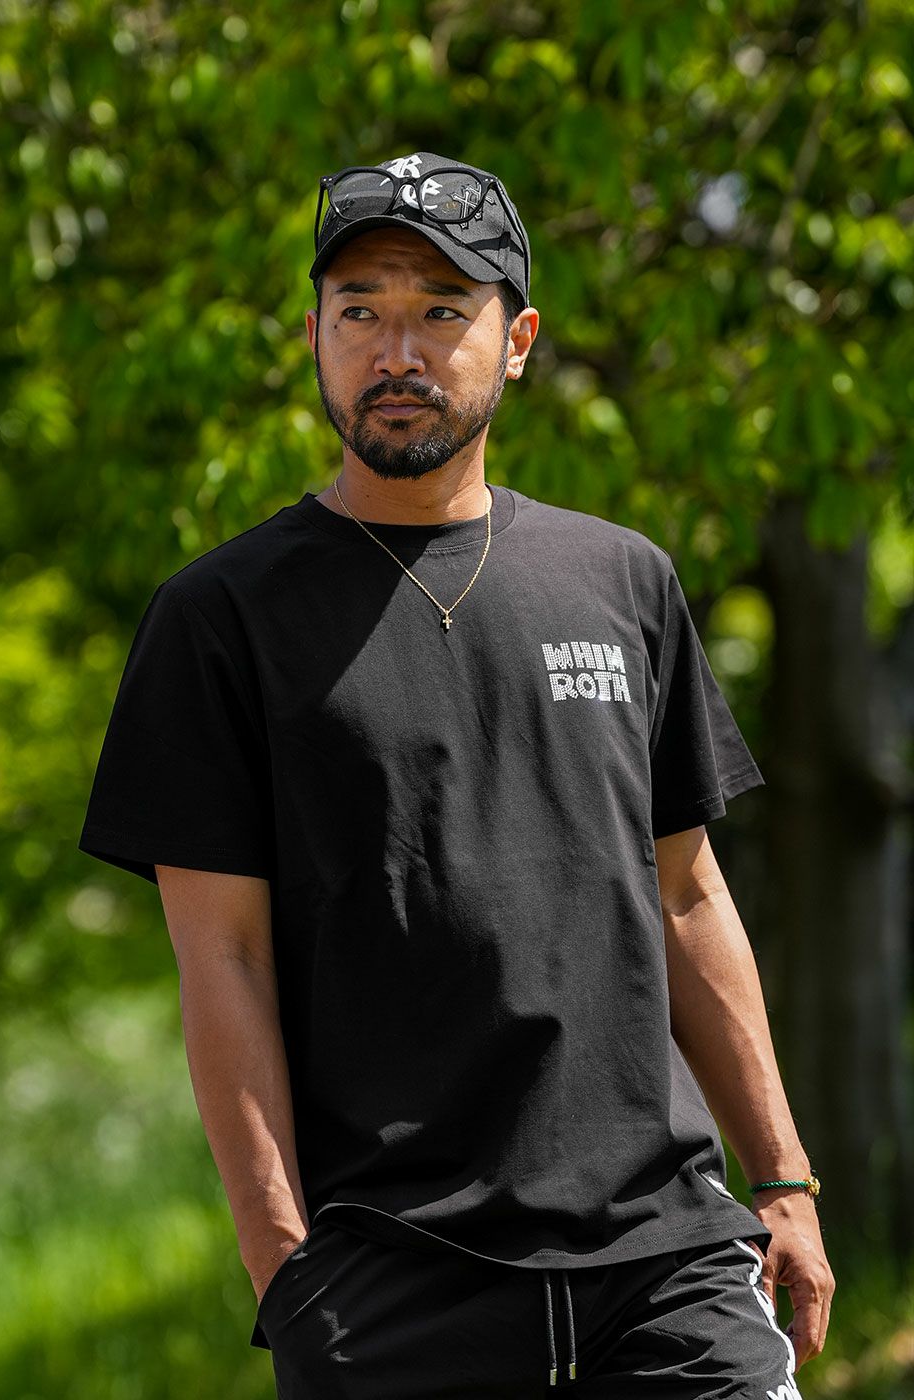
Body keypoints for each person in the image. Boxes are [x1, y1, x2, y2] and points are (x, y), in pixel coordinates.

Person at [78, 151, 834, 1398]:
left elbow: (689, 897)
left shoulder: (622, 581)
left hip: (671, 1262)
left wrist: (784, 1180)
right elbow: (224, 961)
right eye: (359, 312)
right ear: (313, 337)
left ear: (517, 340)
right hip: (391, 1281)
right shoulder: (220, 618)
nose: (396, 351)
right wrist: (283, 1269)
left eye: (441, 310)